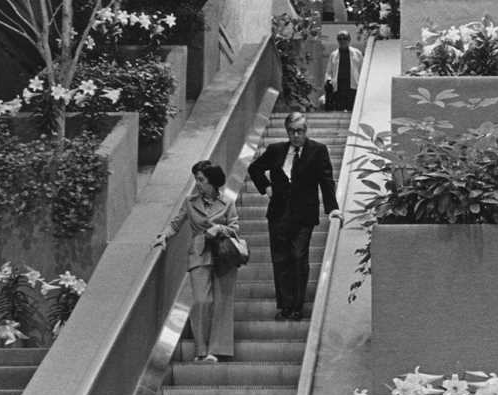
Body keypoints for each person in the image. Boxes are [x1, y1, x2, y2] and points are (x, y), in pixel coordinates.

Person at [247, 112, 342, 320]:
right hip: (279, 214)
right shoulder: (275, 150)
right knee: (280, 259)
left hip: (304, 215)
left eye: (300, 131)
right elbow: (254, 168)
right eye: (292, 131)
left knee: (299, 257)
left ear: (306, 131)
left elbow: (326, 181)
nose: (296, 135)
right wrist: (266, 188)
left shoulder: (318, 150)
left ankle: (298, 305)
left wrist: (332, 208)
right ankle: (286, 306)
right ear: (287, 132)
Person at [153, 160, 242, 363]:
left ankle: (215, 351)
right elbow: (176, 223)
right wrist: (164, 236)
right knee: (202, 301)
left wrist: (219, 229)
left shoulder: (227, 203)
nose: (198, 183)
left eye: (201, 179)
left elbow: (235, 228)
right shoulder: (190, 202)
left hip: (224, 255)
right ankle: (201, 350)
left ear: (212, 181)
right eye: (196, 179)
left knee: (222, 303)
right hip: (199, 254)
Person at [323, 31, 363, 112]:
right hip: (339, 87)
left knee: (353, 111)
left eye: (345, 38)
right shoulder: (333, 54)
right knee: (339, 110)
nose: (342, 41)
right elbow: (329, 71)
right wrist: (328, 79)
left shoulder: (357, 53)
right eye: (340, 39)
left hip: (353, 86)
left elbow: (362, 69)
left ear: (349, 40)